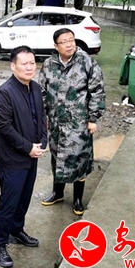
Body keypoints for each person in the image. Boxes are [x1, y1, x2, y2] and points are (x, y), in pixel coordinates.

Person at [39, 28, 105, 215]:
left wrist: (93, 118)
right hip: (56, 123)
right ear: (56, 46)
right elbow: (42, 92)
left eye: (71, 40)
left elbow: (97, 91)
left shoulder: (86, 62)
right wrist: (44, 117)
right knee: (57, 157)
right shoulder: (49, 64)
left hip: (79, 123)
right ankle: (57, 193)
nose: (69, 45)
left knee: (79, 160)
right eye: (64, 42)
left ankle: (77, 199)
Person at [0, 46, 47, 268]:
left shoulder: (35, 88)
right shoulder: (5, 93)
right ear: (13, 66)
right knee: (9, 202)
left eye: (32, 63)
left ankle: (16, 230)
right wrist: (28, 147)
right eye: (24, 63)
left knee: (24, 199)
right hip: (13, 159)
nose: (29, 67)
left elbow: (41, 118)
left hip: (31, 156)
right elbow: (5, 127)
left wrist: (42, 141)